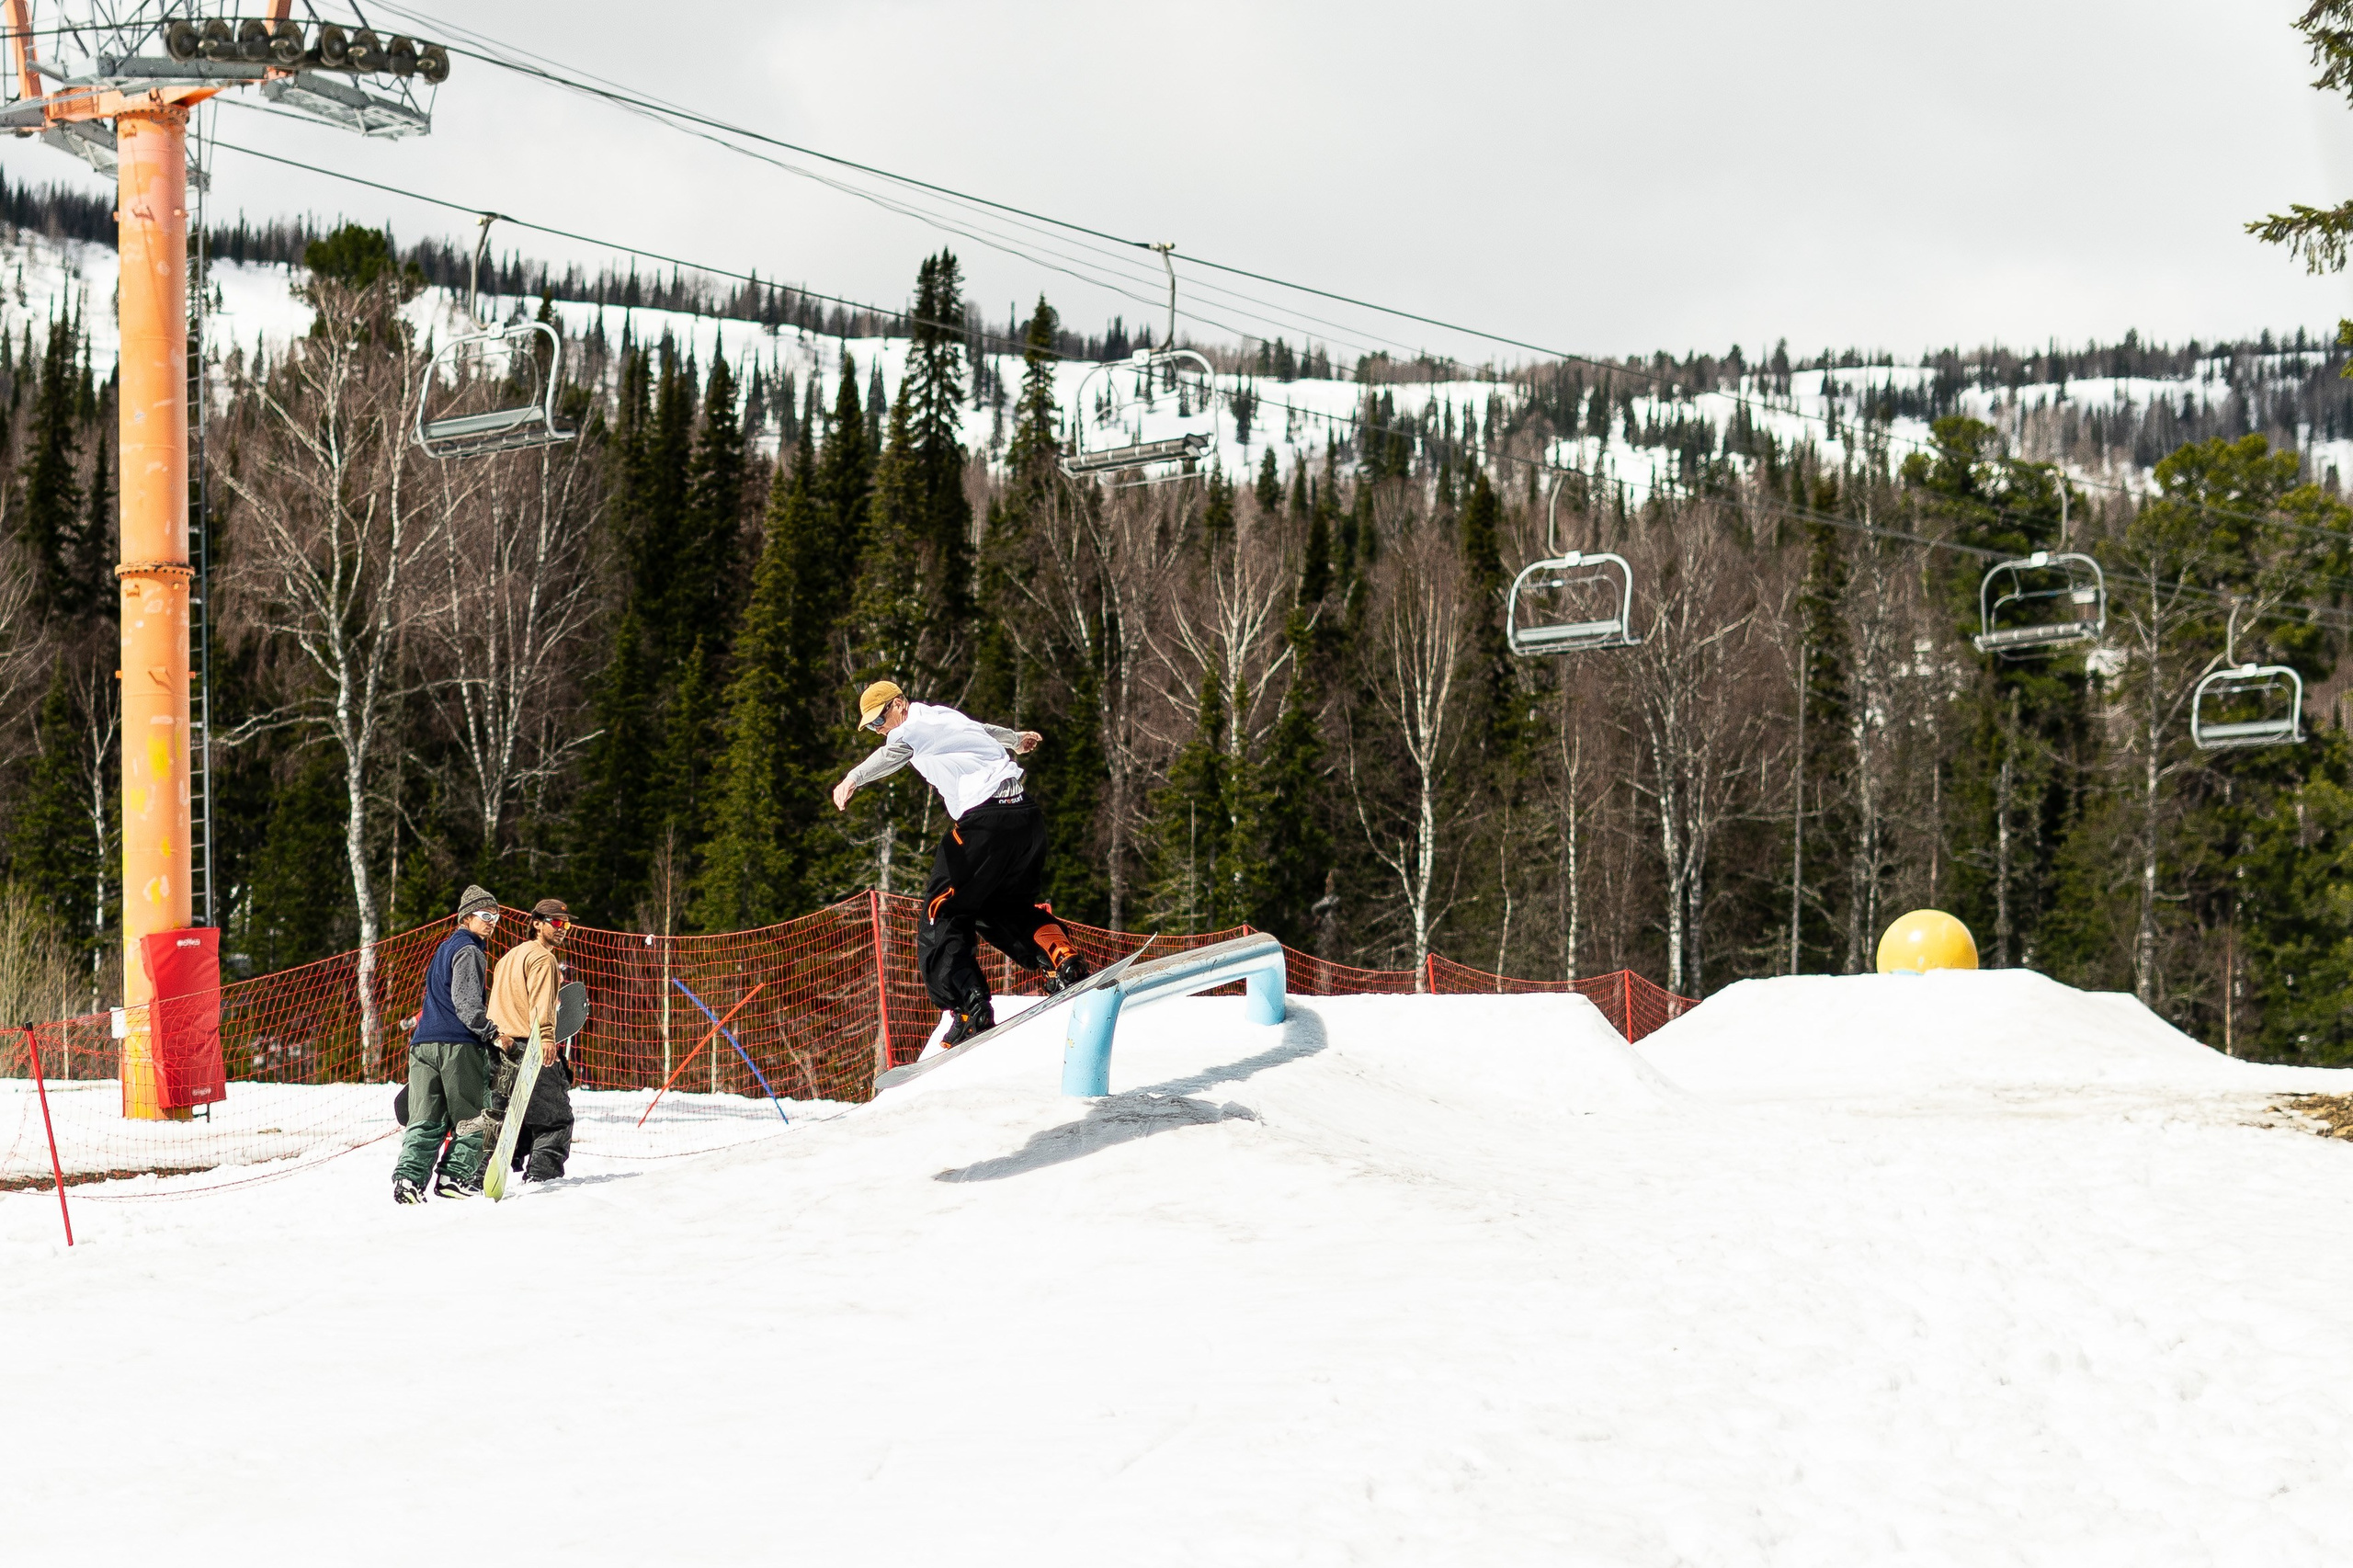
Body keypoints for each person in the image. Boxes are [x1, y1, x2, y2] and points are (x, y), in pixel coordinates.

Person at [832, 680, 1090, 1044]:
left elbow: (894, 755)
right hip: (1025, 819)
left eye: (879, 720)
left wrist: (853, 777)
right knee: (999, 907)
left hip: (985, 825)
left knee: (942, 913)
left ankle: (970, 1007)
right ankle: (1061, 959)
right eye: (873, 727)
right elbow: (982, 731)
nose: (881, 731)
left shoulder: (909, 728)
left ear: (899, 704)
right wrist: (1015, 740)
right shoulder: (941, 716)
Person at [392, 885, 502, 1204]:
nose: (491, 921)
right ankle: (454, 1176)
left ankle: (408, 1181)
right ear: (466, 917)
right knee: (472, 1116)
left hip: (423, 1044)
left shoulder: (443, 949)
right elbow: (467, 1004)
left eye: (495, 916)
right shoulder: (470, 950)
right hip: (457, 1045)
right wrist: (492, 1033)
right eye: (485, 915)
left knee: (425, 1116)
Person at [486, 896, 575, 1181]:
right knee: (555, 1119)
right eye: (557, 922)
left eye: (567, 924)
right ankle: (542, 1178)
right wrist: (547, 1038)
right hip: (529, 1046)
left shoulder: (507, 958)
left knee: (512, 1116)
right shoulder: (544, 958)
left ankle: (480, 1172)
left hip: (500, 1047)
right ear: (537, 924)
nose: (563, 928)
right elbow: (540, 1004)